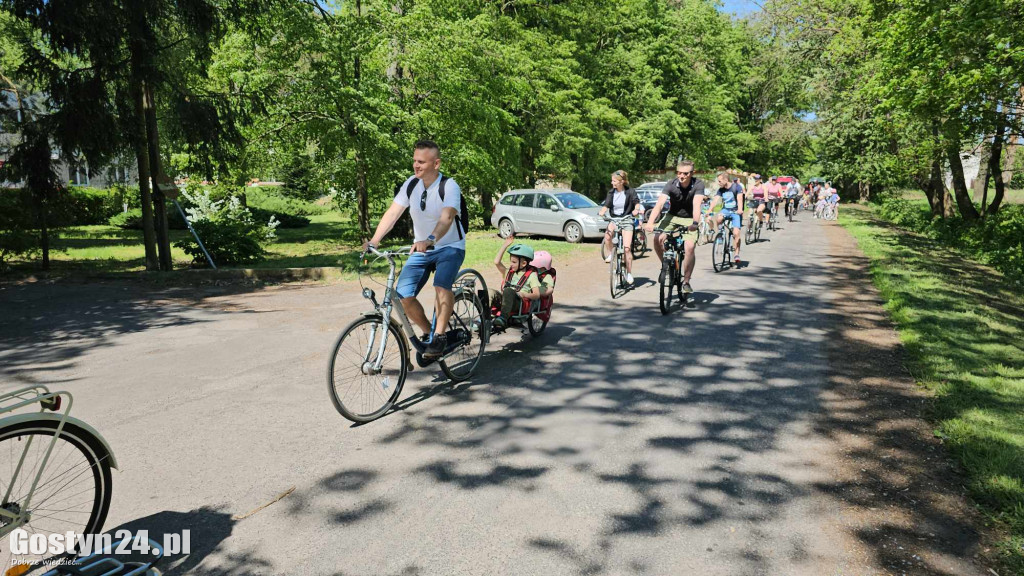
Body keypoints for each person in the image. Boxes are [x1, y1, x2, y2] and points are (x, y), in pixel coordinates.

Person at [363, 140, 465, 358]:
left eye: (421, 162)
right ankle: (430, 335)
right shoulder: (411, 184)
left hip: (450, 246)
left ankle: (440, 336)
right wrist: (375, 240)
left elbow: (447, 218)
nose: (416, 166)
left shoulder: (449, 186)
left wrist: (430, 239)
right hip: (421, 250)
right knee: (402, 296)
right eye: (414, 161)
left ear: (436, 164)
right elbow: (393, 213)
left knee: (441, 285)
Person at [644, 160, 705, 293]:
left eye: (685, 173)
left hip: (689, 218)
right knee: (657, 239)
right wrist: (650, 222)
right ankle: (666, 267)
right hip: (672, 216)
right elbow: (660, 204)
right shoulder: (671, 184)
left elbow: (696, 205)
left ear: (692, 173)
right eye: (679, 173)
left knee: (689, 247)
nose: (681, 176)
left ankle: (686, 281)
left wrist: (695, 223)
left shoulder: (698, 184)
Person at [599, 170, 643, 285]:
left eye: (614, 181)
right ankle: (610, 254)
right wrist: (602, 212)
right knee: (608, 236)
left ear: (621, 181)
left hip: (627, 219)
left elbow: (636, 202)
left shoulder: (630, 191)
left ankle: (628, 273)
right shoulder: (611, 192)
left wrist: (636, 209)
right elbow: (606, 205)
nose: (612, 183)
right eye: (612, 180)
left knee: (627, 248)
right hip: (615, 219)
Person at [491, 237, 542, 329]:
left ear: (523, 264)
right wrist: (505, 245)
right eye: (510, 261)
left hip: (519, 304)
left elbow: (537, 295)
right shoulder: (508, 272)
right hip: (506, 301)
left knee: (508, 291)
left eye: (514, 262)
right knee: (489, 292)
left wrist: (524, 294)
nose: (511, 264)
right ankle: (484, 316)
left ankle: (503, 318)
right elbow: (496, 262)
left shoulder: (531, 276)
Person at [709, 172, 744, 265]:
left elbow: (740, 200)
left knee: (736, 233)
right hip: (726, 210)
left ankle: (736, 254)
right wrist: (709, 210)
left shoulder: (737, 187)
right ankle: (720, 234)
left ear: (725, 180)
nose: (718, 183)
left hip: (736, 211)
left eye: (720, 181)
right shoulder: (721, 190)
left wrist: (740, 210)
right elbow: (715, 200)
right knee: (718, 218)